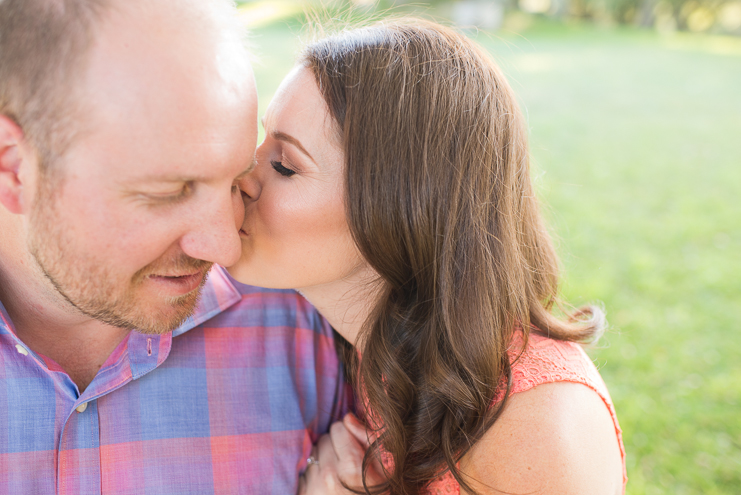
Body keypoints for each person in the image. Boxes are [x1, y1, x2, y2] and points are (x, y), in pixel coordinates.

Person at [228, 19, 627, 495]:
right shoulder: (375, 355)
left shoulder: (536, 427)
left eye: (284, 166)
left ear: (401, 206)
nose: (240, 176)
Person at [0, 1, 347, 493]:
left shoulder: (304, 317)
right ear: (14, 167)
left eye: (235, 181)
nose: (225, 249)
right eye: (168, 193)